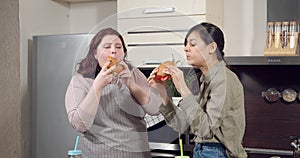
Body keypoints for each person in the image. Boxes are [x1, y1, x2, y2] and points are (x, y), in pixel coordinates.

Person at [148, 22, 247, 158]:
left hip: (218, 153)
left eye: (193, 44)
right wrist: (163, 95)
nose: (186, 49)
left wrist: (182, 88)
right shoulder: (204, 79)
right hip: (202, 151)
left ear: (212, 47)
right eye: (186, 44)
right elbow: (185, 126)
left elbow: (205, 130)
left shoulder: (225, 80)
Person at [65, 28, 162, 158]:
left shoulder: (134, 74)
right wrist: (97, 86)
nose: (113, 50)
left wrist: (131, 84)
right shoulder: (80, 80)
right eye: (107, 46)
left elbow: (156, 109)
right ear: (95, 53)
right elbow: (79, 125)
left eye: (118, 46)